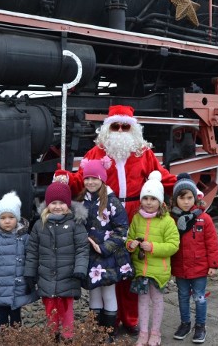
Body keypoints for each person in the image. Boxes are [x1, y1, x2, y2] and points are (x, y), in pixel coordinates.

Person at [59, 104, 177, 334]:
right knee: (112, 269)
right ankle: (107, 322)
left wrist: (186, 187)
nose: (121, 131)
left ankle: (130, 318)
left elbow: (162, 177)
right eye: (116, 126)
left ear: (132, 129)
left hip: (135, 214)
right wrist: (64, 178)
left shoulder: (143, 152)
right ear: (107, 128)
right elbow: (81, 179)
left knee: (132, 267)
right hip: (105, 218)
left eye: (125, 126)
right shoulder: (97, 153)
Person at [24, 181, 90, 341]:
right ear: (47, 204)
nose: (58, 206)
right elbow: (32, 252)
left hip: (68, 276)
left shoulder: (76, 224)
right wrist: (29, 273)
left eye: (62, 203)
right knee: (50, 309)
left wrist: (80, 269)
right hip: (46, 276)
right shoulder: (39, 225)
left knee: (66, 310)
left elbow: (82, 248)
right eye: (54, 202)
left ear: (68, 204)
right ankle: (52, 335)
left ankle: (68, 337)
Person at [77, 157, 134, 341]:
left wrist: (104, 247)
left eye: (94, 178)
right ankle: (96, 330)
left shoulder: (112, 202)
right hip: (89, 255)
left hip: (108, 256)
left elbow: (122, 230)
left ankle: (108, 333)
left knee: (108, 293)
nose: (90, 182)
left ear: (102, 179)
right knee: (93, 293)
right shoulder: (81, 200)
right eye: (87, 178)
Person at [126, 171, 179, 346]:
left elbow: (173, 245)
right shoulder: (136, 218)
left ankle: (155, 333)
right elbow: (129, 238)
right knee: (142, 301)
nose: (149, 202)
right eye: (145, 198)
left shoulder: (167, 221)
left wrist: (154, 248)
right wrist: (131, 245)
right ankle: (143, 332)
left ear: (160, 201)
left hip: (158, 270)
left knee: (156, 300)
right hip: (141, 269)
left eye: (153, 199)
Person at [170, 173, 218, 344]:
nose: (186, 202)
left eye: (189, 198)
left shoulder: (204, 219)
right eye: (182, 198)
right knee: (182, 296)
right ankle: (185, 323)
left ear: (195, 198)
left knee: (199, 297)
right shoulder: (172, 219)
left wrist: (213, 264)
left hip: (199, 266)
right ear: (175, 199)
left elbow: (212, 243)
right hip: (180, 266)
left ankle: (200, 325)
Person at [0, 191, 38, 328]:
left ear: (17, 218)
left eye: (11, 217)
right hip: (0, 284)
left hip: (18, 283)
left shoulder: (24, 237)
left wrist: (32, 277)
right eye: (3, 217)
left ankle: (15, 337)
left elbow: (32, 257)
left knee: (16, 312)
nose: (7, 221)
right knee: (2, 313)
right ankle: (3, 337)